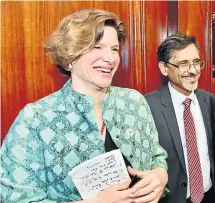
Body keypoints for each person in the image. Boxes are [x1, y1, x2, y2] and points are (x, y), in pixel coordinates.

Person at [0, 9, 168, 203]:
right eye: (97, 47)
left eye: (114, 49)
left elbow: (157, 155)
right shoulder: (35, 119)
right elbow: (16, 199)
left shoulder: (134, 102)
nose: (110, 58)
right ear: (70, 57)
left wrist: (160, 175)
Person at [145, 34, 215, 203]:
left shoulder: (208, 100)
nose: (193, 70)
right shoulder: (148, 106)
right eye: (183, 64)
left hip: (208, 196)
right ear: (164, 68)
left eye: (197, 62)